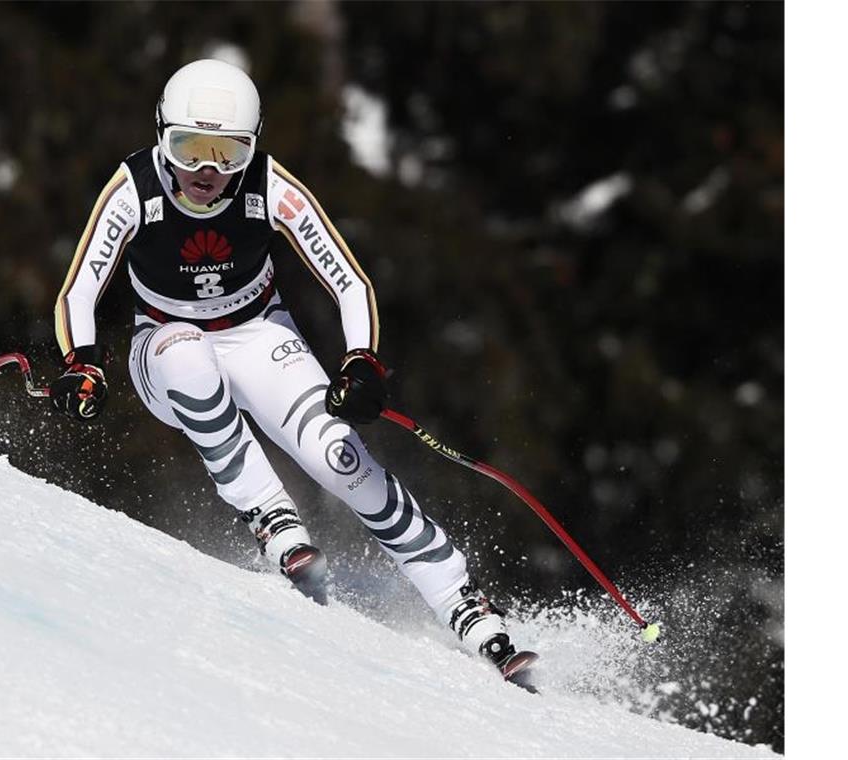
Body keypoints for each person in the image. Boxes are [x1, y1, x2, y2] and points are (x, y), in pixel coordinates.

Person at [51, 59, 536, 684]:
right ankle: (270, 516)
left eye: (227, 153)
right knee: (187, 355)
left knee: (339, 457)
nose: (206, 170)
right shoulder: (133, 189)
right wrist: (81, 362)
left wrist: (361, 360)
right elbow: (78, 291)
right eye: (189, 148)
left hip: (258, 333)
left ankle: (466, 606)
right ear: (160, 136)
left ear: (251, 148)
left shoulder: (268, 187)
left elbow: (349, 280)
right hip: (163, 348)